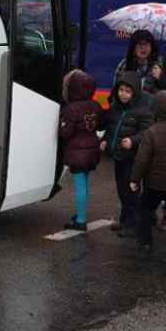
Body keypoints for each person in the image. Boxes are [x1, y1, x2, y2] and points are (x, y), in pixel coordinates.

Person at [130, 91, 166, 260]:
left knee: (146, 210)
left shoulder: (151, 132)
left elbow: (142, 159)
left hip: (154, 184)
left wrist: (135, 179)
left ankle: (145, 243)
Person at [102, 72, 153, 234]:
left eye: (127, 91)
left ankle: (133, 224)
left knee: (131, 191)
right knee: (121, 190)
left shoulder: (142, 110)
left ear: (135, 93)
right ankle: (125, 220)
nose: (123, 94)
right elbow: (110, 128)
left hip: (133, 158)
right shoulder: (115, 108)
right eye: (121, 90)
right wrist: (105, 140)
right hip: (118, 156)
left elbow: (146, 132)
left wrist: (133, 141)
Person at [59, 69, 103, 231]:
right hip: (92, 150)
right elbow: (101, 123)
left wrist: (58, 129)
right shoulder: (95, 105)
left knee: (79, 185)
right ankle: (81, 213)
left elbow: (66, 132)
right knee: (84, 183)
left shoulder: (71, 109)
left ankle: (81, 220)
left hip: (77, 152)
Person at [114, 29, 166, 98]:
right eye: (140, 44)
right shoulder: (125, 64)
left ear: (152, 47)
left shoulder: (160, 63)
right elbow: (115, 94)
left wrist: (161, 78)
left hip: (154, 108)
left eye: (147, 44)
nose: (143, 48)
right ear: (133, 47)